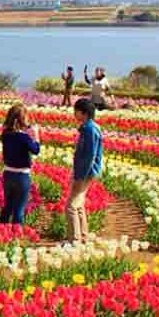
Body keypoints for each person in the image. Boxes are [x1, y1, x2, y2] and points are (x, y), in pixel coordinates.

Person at [66, 98, 104, 243]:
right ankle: (83, 236)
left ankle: (74, 240)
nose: (74, 114)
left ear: (83, 113)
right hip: (88, 171)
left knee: (70, 206)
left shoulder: (89, 129)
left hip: (85, 172)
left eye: (76, 111)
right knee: (79, 204)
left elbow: (90, 155)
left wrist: (80, 176)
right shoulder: (91, 127)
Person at [0, 104, 40, 225]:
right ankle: (16, 235)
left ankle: (2, 231)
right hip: (22, 176)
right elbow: (36, 150)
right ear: (22, 120)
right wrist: (35, 136)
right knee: (19, 209)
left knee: (8, 206)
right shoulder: (24, 137)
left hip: (8, 174)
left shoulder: (5, 135)